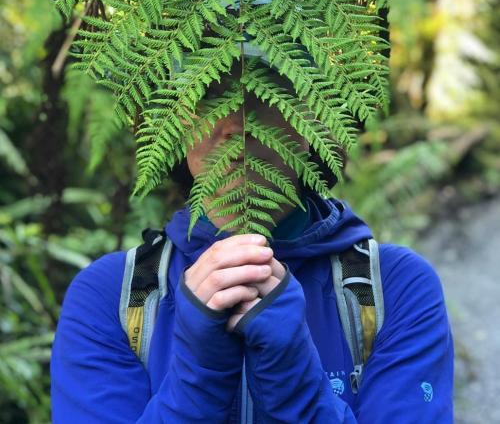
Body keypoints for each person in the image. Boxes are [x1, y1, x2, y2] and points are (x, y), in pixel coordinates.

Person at [50, 65, 454, 423]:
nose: (236, 126)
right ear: (175, 123)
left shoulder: (396, 289)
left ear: (310, 118)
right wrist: (198, 373)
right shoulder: (110, 298)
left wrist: (292, 372)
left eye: (264, 91)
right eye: (208, 93)